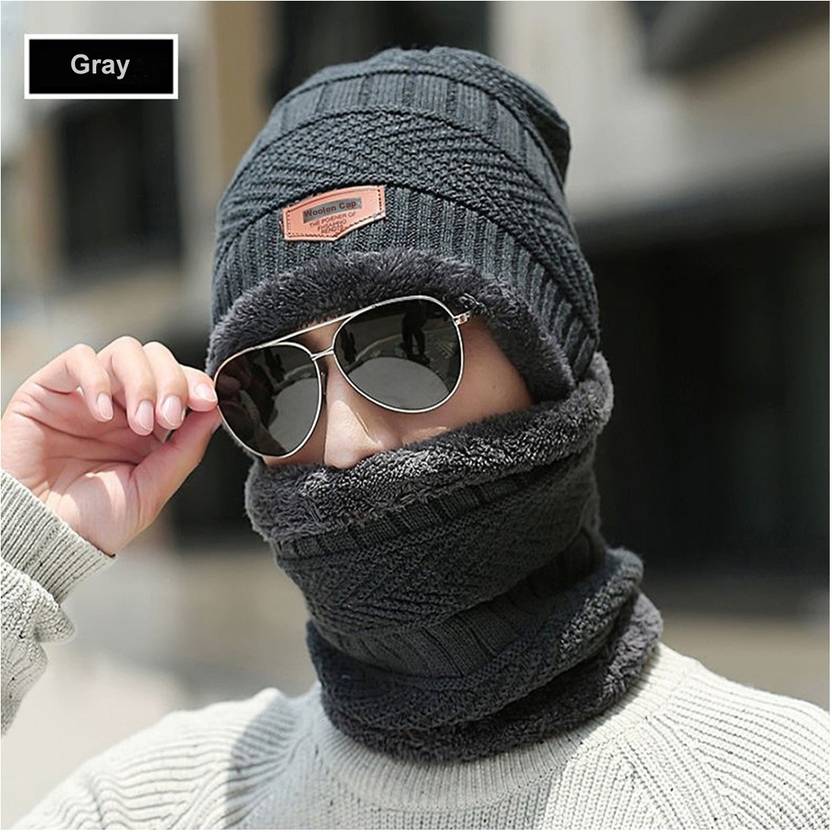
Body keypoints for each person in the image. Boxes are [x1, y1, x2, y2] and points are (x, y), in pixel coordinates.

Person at [1, 46, 828, 830]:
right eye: (274, 383)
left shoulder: (786, 796)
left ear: (548, 355)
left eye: (404, 345)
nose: (345, 442)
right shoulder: (150, 808)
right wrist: (20, 551)